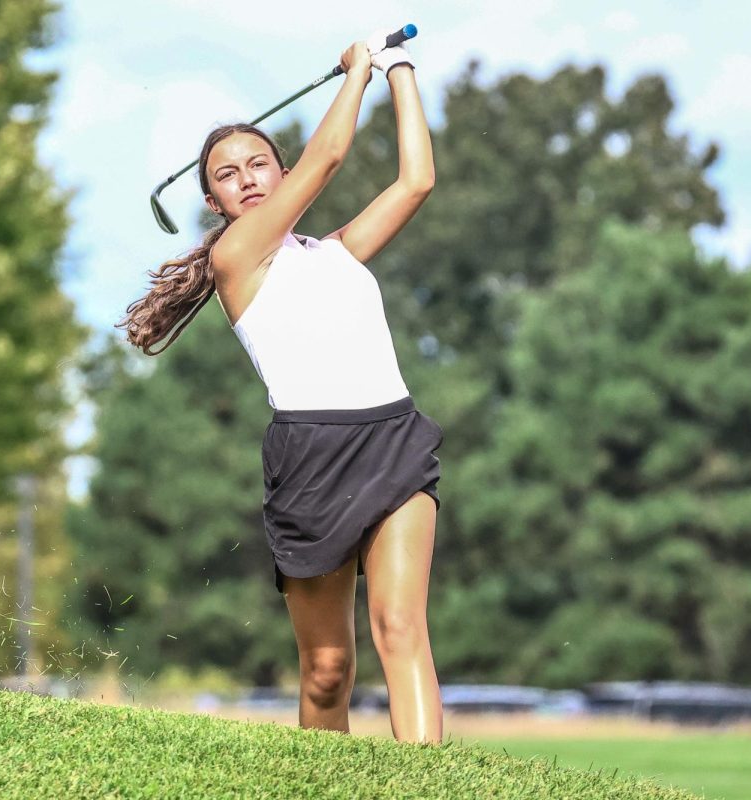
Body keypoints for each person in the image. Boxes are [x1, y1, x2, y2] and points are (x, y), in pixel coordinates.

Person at [118, 32, 443, 745]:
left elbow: (415, 181)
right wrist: (354, 76)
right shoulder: (237, 257)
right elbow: (328, 158)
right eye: (229, 175)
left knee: (399, 628)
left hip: (392, 441)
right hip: (309, 459)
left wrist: (398, 70)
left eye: (259, 163)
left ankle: (427, 789)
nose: (249, 178)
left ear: (279, 167)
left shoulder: (334, 255)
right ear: (213, 201)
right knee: (327, 668)